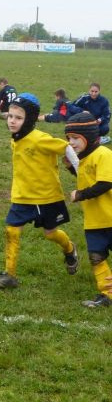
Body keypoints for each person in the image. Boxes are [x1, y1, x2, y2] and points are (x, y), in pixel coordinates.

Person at [0, 93, 79, 289]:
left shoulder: (40, 139)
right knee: (11, 230)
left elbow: (67, 148)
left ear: (29, 119)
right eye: (10, 116)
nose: (12, 121)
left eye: (18, 118)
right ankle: (9, 275)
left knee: (50, 233)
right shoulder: (16, 139)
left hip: (47, 197)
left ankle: (70, 249)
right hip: (21, 197)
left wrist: (81, 174)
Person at [64, 112, 112, 307]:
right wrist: (70, 168)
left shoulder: (104, 154)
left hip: (110, 216)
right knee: (96, 256)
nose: (71, 142)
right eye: (69, 138)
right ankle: (107, 295)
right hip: (94, 219)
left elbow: (106, 183)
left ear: (89, 136)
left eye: (76, 138)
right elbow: (86, 175)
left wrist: (80, 194)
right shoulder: (83, 158)